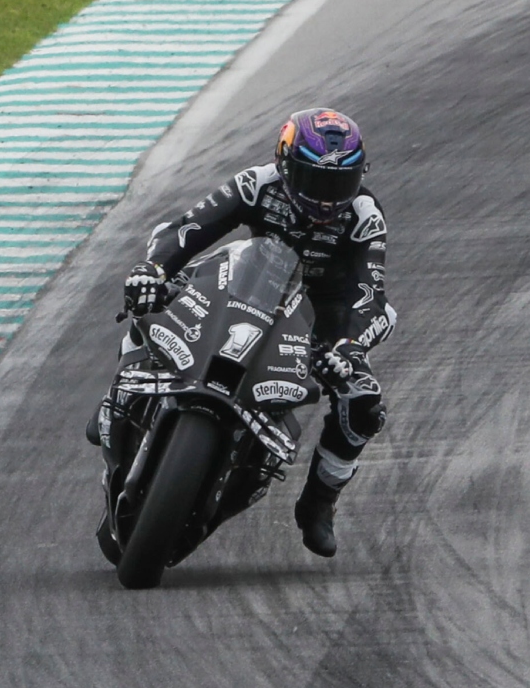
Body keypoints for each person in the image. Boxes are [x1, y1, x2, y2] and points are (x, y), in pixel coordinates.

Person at [101, 107, 393, 557]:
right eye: (314, 180)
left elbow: (368, 293)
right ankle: (116, 398)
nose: (327, 197)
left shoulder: (365, 216)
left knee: (364, 402)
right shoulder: (256, 183)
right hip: (252, 281)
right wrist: (151, 270)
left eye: (341, 183)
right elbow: (189, 228)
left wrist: (348, 347)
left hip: (323, 313)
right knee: (156, 292)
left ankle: (318, 502)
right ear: (284, 164)